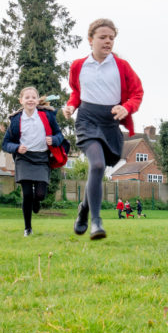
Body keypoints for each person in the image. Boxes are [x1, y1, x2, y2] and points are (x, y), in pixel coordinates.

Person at [63, 18, 144, 240]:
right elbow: (77, 92)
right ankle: (96, 222)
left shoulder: (122, 66)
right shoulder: (78, 66)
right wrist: (71, 106)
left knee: (98, 169)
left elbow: (137, 93)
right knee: (97, 165)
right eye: (103, 37)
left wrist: (126, 108)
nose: (108, 41)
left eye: (111, 38)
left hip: (110, 123)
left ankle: (83, 209)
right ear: (91, 40)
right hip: (87, 120)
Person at [2, 87, 66, 237]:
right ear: (21, 101)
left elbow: (59, 135)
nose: (30, 100)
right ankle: (28, 228)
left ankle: (37, 201)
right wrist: (17, 148)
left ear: (37, 101)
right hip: (24, 159)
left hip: (42, 158)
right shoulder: (16, 120)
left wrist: (53, 140)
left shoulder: (47, 116)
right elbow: (5, 144)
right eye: (27, 97)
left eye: (33, 97)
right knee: (27, 194)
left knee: (40, 194)